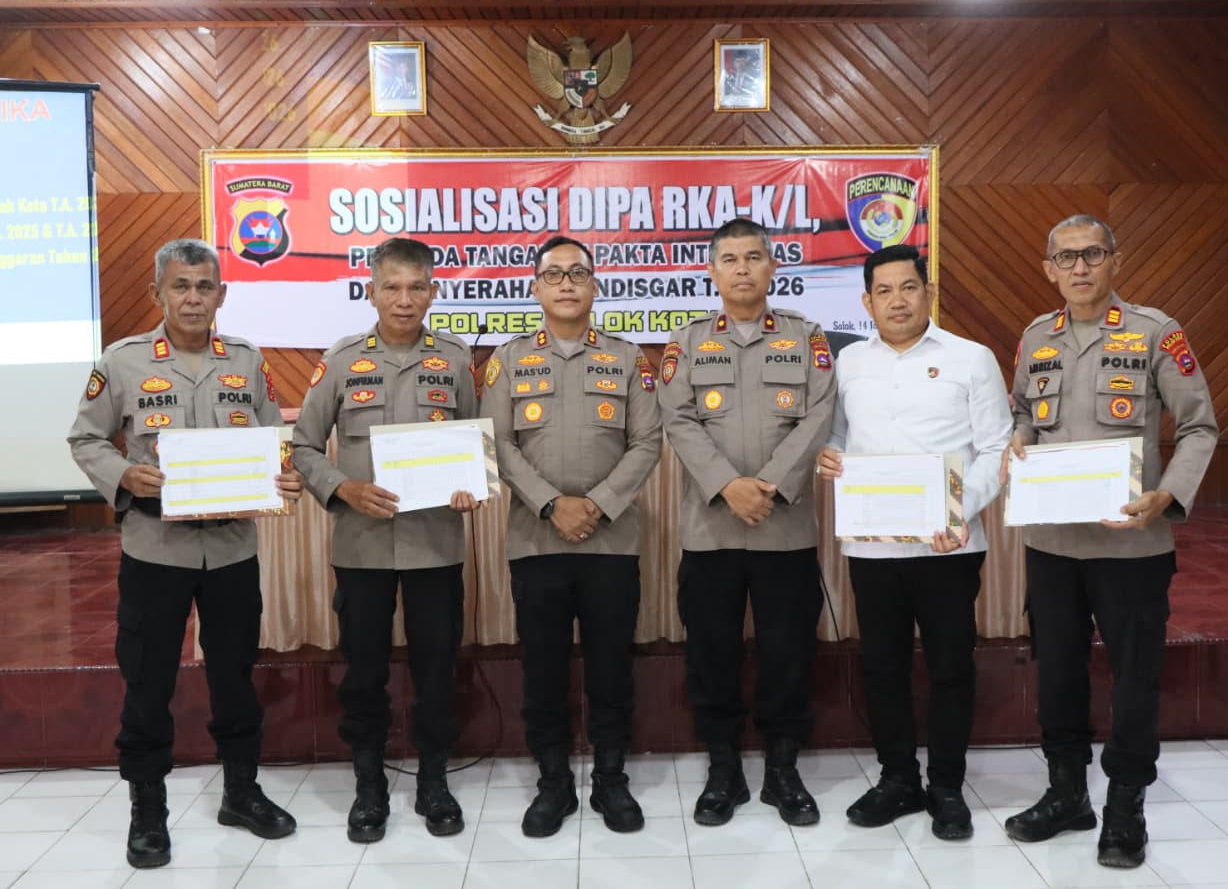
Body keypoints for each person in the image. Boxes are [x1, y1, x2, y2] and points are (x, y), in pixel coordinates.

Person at [68, 238, 299, 869]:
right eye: (181, 286)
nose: (193, 298)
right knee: (148, 680)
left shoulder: (247, 361)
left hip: (231, 549)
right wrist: (123, 474)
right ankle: (148, 808)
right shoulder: (122, 362)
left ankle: (241, 792)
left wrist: (284, 475)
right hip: (155, 550)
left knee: (235, 675)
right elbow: (86, 438)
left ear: (222, 294)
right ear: (158, 293)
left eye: (204, 287)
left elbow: (272, 440)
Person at [1001, 215, 1218, 868]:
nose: (1080, 267)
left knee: (1134, 680)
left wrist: (1167, 495)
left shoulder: (1155, 332)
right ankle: (1067, 794)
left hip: (1132, 547)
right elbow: (1021, 412)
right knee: (1058, 674)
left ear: (1114, 260)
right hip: (1052, 545)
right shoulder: (1036, 338)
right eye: (1066, 257)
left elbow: (1201, 426)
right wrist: (1019, 438)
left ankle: (1126, 806)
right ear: (1049, 269)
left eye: (1092, 254)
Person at [815, 245, 1011, 840]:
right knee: (883, 667)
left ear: (929, 291)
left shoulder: (971, 359)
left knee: (951, 666)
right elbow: (839, 436)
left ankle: (946, 785)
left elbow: (996, 448)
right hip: (873, 549)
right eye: (884, 291)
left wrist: (958, 511)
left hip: (949, 546)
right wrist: (831, 456)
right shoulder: (849, 363)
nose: (896, 300)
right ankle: (897, 778)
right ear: (866, 301)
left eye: (908, 287)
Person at [292, 237, 483, 844]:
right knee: (364, 673)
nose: (404, 299)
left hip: (435, 543)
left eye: (416, 287)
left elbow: (476, 444)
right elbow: (302, 446)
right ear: (371, 292)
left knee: (436, 670)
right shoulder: (341, 360)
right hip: (362, 545)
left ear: (433, 292)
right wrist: (341, 488)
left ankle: (434, 781)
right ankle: (369, 784)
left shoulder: (454, 359)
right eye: (392, 287)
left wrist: (471, 484)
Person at [480, 236, 662, 837]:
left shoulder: (628, 358)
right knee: (544, 670)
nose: (565, 284)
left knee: (611, 666)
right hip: (537, 542)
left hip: (611, 543)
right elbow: (497, 443)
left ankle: (610, 778)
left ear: (594, 286)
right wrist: (552, 504)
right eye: (553, 274)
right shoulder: (507, 360)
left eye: (577, 273)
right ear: (535, 288)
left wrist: (599, 505)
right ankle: (553, 782)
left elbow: (647, 442)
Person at [658, 217, 835, 827]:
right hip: (711, 529)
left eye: (753, 257)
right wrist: (728, 486)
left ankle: (783, 769)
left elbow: (819, 414)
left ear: (772, 267)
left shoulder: (806, 337)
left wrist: (771, 485)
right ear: (712, 271)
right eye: (729, 259)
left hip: (785, 527)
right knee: (712, 653)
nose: (742, 269)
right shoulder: (686, 341)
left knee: (789, 652)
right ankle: (723, 769)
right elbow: (678, 419)